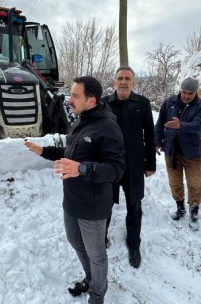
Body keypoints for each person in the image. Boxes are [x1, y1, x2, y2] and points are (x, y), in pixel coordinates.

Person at [24, 76, 125, 304]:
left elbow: (116, 169)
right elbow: (70, 152)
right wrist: (43, 151)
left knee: (96, 254)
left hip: (93, 205)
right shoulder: (80, 120)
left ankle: (97, 296)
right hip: (71, 201)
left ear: (91, 100)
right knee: (75, 242)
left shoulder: (108, 127)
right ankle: (90, 280)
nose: (70, 99)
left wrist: (82, 169)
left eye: (75, 96)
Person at [101, 66, 156, 268]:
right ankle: (101, 238)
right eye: (120, 78)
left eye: (128, 78)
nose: (123, 81)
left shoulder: (142, 103)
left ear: (133, 82)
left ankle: (134, 243)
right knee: (104, 203)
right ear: (114, 82)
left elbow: (150, 135)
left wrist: (150, 164)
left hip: (134, 166)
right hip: (109, 165)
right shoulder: (104, 104)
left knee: (134, 205)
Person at [154, 77, 201, 229]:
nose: (186, 96)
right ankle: (180, 208)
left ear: (195, 93)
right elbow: (159, 123)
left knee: (194, 183)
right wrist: (157, 142)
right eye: (184, 92)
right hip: (171, 150)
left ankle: (194, 210)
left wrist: (180, 125)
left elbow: (197, 125)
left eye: (190, 93)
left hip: (192, 152)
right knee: (175, 182)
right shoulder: (169, 102)